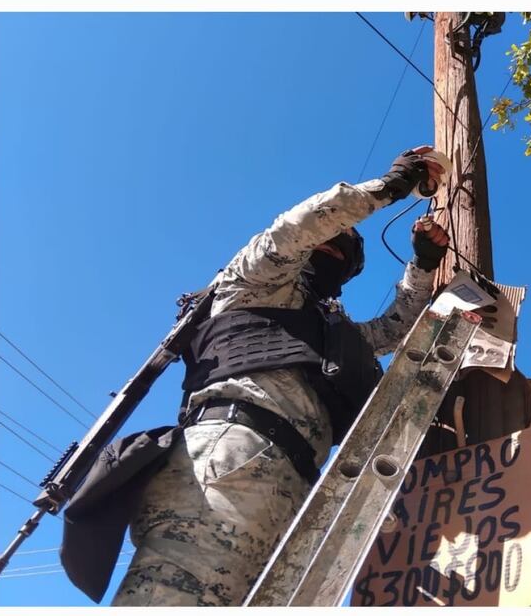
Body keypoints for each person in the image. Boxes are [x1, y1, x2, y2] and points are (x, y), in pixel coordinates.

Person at [108, 146, 451, 605]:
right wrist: (393, 185)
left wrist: (423, 266)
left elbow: (394, 329)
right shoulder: (252, 284)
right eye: (330, 238)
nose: (333, 247)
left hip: (304, 493)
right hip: (226, 466)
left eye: (343, 250)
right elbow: (299, 226)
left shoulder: (334, 332)